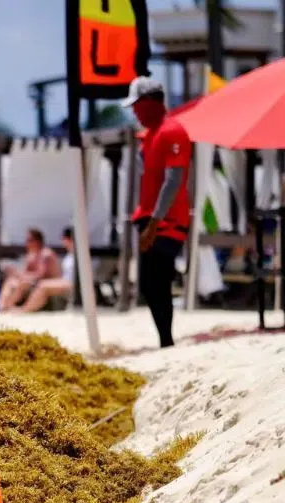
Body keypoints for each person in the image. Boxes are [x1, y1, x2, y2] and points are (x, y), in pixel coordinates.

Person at [125, 76, 192, 348]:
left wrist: (154, 223)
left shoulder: (172, 131)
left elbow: (173, 180)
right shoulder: (150, 135)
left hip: (167, 220)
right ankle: (164, 339)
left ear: (151, 102)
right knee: (149, 284)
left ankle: (167, 341)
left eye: (137, 106)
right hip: (149, 218)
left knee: (157, 280)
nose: (134, 112)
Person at [0, 228, 61, 311]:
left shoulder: (46, 254)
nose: (27, 243)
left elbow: (42, 275)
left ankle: (8, 307)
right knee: (10, 281)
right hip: (35, 282)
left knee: (24, 283)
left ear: (38, 241)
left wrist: (21, 275)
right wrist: (16, 273)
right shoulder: (32, 255)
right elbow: (25, 272)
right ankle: (2, 305)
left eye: (29, 240)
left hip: (48, 281)